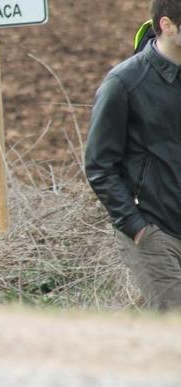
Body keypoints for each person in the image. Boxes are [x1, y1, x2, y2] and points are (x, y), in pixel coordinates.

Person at [85, 0, 181, 310]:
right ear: (167, 25)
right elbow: (100, 165)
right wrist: (137, 227)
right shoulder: (124, 83)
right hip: (155, 231)